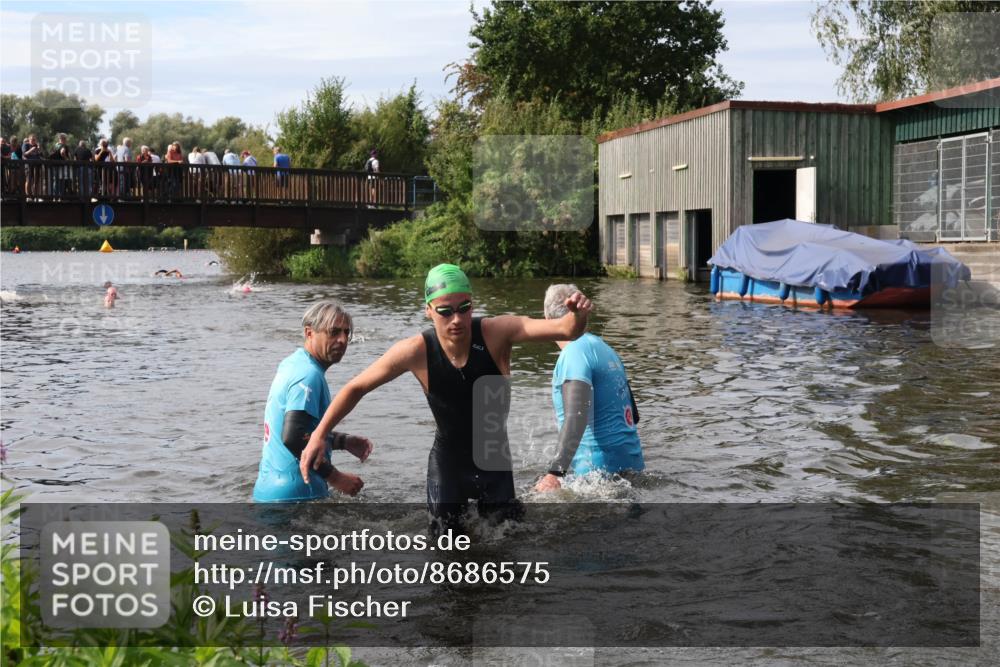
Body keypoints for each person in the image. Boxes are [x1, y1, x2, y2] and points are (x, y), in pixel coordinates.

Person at [301, 264, 592, 531]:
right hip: (447, 464)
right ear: (429, 310)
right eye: (445, 311)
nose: (456, 319)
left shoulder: (497, 332)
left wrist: (578, 314)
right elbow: (356, 387)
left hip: (494, 462)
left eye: (464, 308)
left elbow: (566, 329)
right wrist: (318, 435)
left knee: (506, 553)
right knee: (445, 556)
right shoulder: (415, 351)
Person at [254, 301, 373, 502]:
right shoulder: (308, 375)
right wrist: (336, 478)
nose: (343, 340)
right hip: (296, 496)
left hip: (269, 491)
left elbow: (304, 430)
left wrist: (343, 441)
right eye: (334, 332)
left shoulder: (293, 363)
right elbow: (293, 437)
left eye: (346, 333)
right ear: (309, 333)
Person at [534, 285, 644, 493]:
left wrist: (554, 473)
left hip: (596, 473)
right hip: (632, 463)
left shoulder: (574, 353)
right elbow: (633, 416)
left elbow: (576, 416)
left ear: (547, 319)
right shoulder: (605, 348)